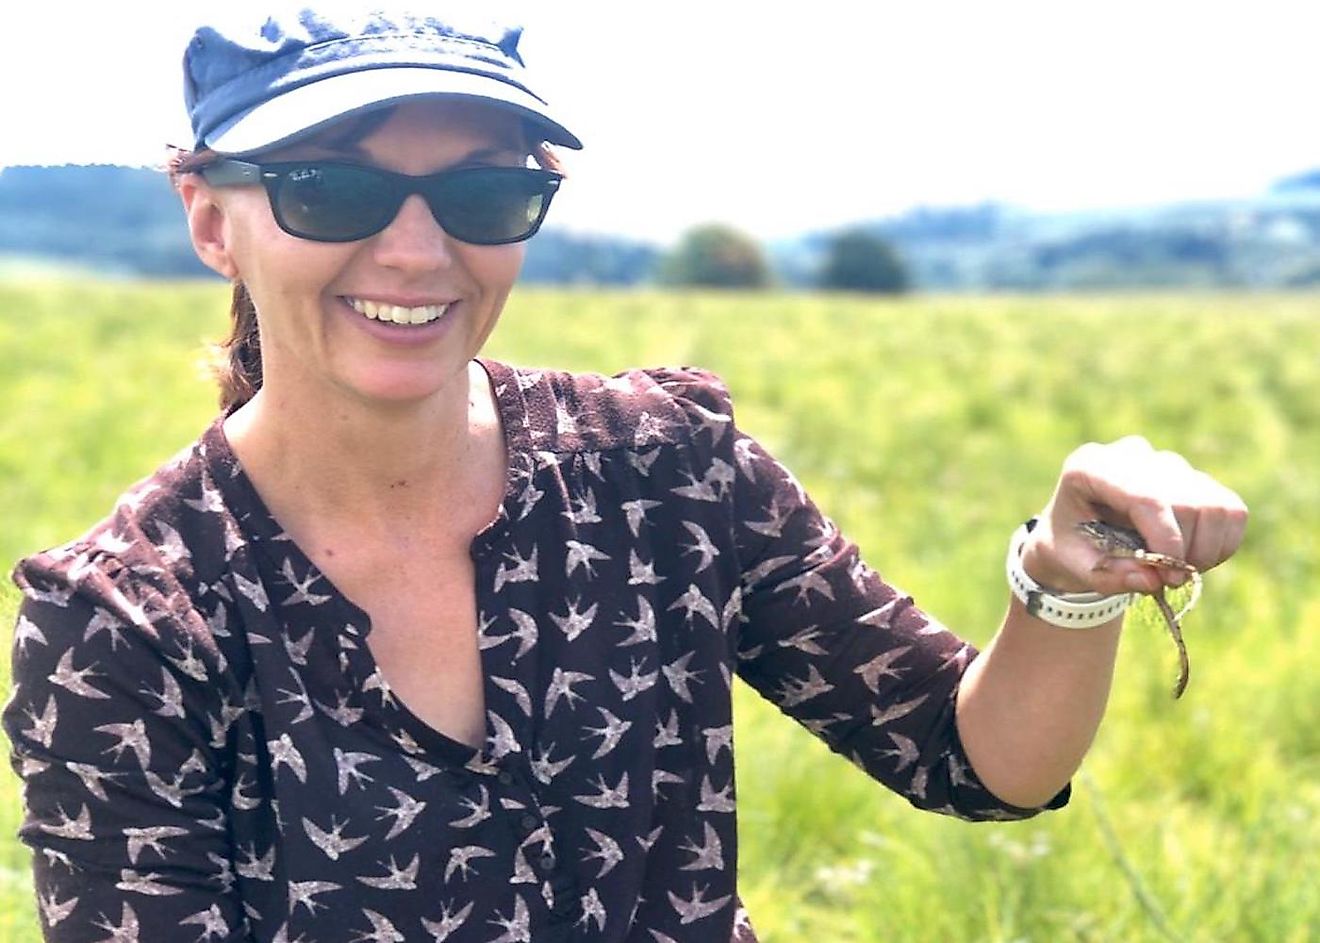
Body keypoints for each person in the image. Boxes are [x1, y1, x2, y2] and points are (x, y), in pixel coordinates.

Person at [2, 7, 1247, 943]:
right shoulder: (122, 624)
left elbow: (973, 759)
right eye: (332, 189)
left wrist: (1062, 583)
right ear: (211, 215)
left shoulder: (663, 471)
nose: (418, 249)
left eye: (487, 191)